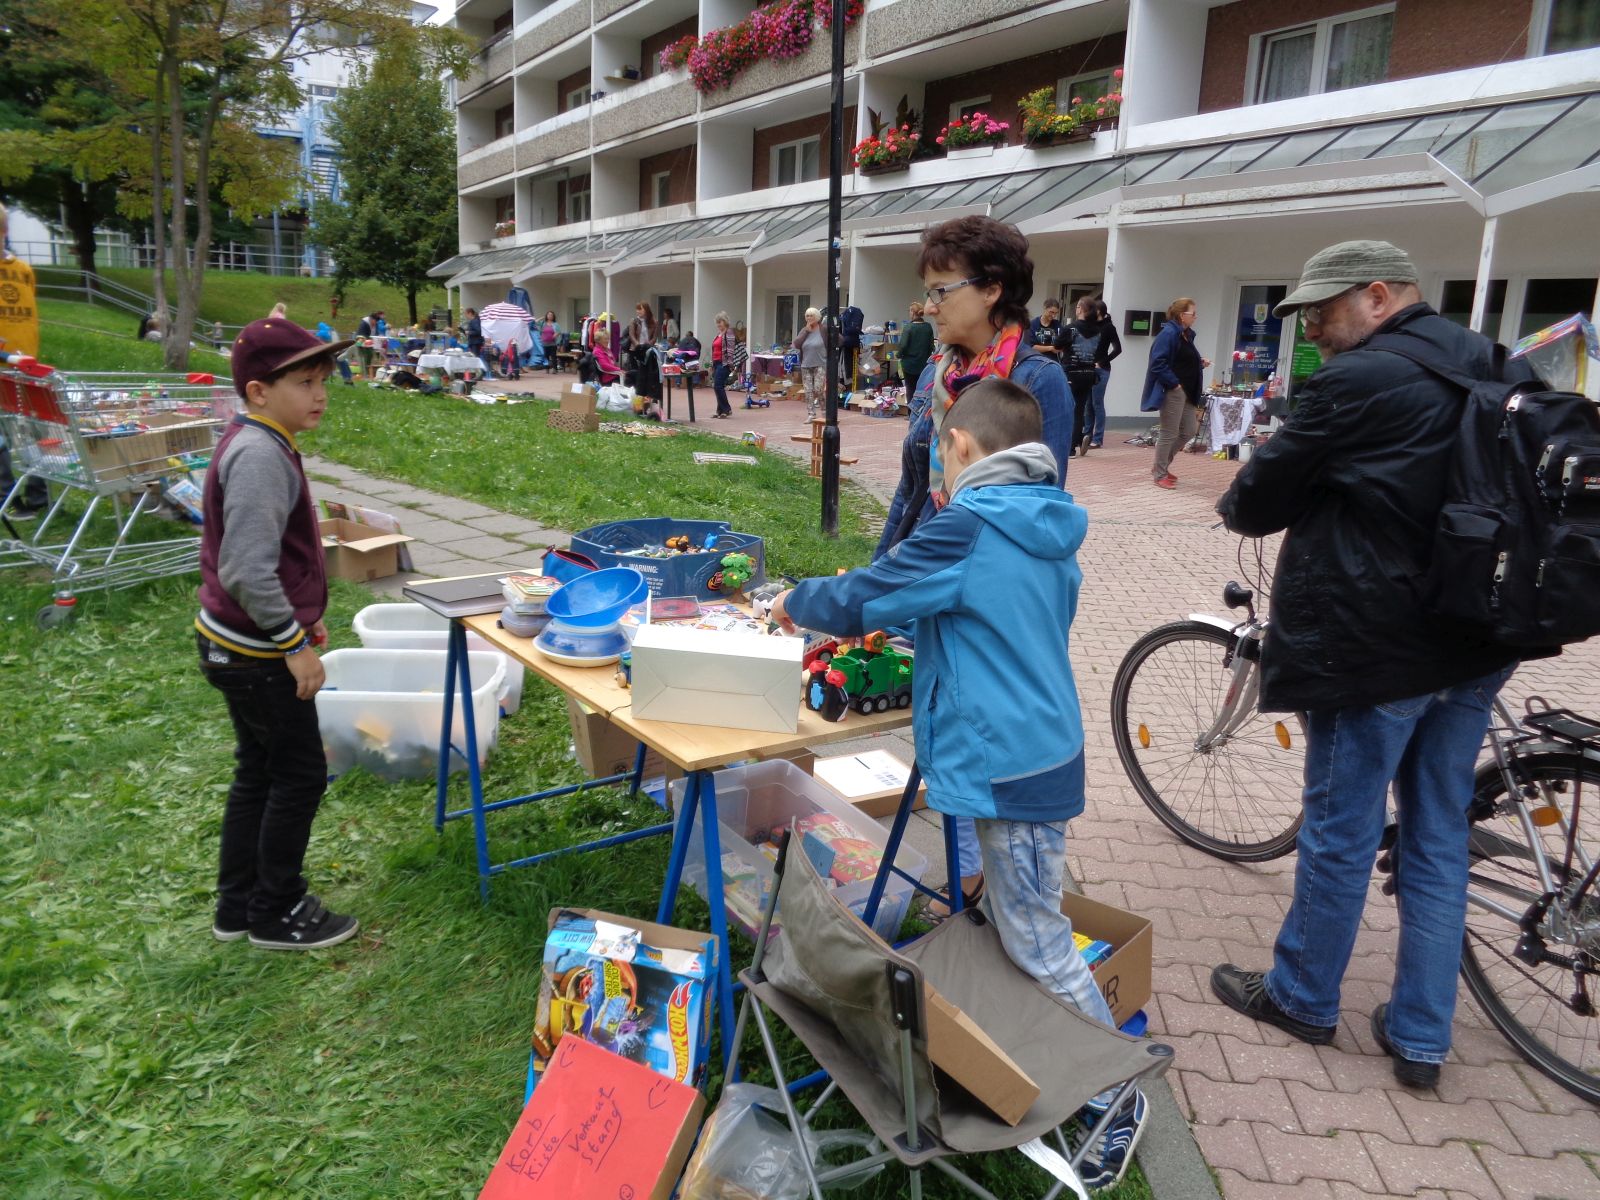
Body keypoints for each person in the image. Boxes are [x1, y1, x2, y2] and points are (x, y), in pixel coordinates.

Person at [769, 378, 1146, 1188]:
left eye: (941, 450)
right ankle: (1014, 1042)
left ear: (963, 448)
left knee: (1037, 932)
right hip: (1019, 750)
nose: (938, 467)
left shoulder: (970, 524)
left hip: (1007, 763)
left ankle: (1113, 1093)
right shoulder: (1044, 523)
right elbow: (985, 613)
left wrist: (794, 602)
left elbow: (868, 592)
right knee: (1001, 909)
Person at [1208, 240, 1528, 1089]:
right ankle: (1422, 1037)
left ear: (1378, 295)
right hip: (1478, 639)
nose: (1311, 329)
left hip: (1378, 647)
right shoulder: (1494, 361)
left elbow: (1254, 500)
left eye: (1322, 311)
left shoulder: (1357, 382)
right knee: (1437, 834)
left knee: (1341, 832)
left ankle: (1304, 998)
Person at [875, 213, 1074, 908]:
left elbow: (1042, 501)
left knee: (980, 725)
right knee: (940, 725)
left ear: (990, 289)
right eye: (927, 295)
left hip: (988, 584)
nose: (931, 308)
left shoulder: (1039, 380)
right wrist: (883, 568)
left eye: (941, 292)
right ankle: (970, 875)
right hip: (933, 564)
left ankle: (989, 886)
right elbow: (912, 483)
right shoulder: (938, 369)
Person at [196, 316, 359, 950]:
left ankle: (238, 907)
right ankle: (277, 911)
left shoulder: (263, 439)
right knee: (298, 775)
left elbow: (263, 556)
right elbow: (244, 567)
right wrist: (293, 646)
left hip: (236, 643)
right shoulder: (262, 454)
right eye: (305, 382)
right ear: (259, 390)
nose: (320, 394)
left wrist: (302, 611)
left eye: (324, 381)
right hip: (256, 654)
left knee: (258, 771)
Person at [0, 201, 48, 517]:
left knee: (36, 432)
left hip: (26, 366)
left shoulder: (22, 271)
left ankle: (38, 496)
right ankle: (6, 495)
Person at [1140, 297, 1208, 488]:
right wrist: (1174, 384)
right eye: (1192, 313)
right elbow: (1157, 363)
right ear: (1181, 315)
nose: (1196, 317)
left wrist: (1199, 363)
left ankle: (1160, 466)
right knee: (1169, 433)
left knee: (1189, 430)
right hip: (1174, 390)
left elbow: (1180, 360)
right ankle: (1160, 474)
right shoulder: (1169, 333)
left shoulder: (1185, 335)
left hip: (1187, 391)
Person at [1065, 297, 1103, 456]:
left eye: (1078, 307)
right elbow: (1099, 352)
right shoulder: (1097, 331)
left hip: (1072, 372)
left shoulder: (1072, 328)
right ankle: (1080, 438)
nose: (1076, 309)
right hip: (1089, 374)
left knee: (1068, 409)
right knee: (1079, 410)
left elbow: (1059, 345)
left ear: (1081, 309)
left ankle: (1071, 447)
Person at [1087, 298, 1121, 448]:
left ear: (1099, 311)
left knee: (1097, 402)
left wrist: (1102, 361)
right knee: (1088, 403)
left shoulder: (1108, 327)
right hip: (1088, 368)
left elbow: (1117, 348)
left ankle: (1098, 438)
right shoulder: (1091, 325)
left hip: (1101, 369)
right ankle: (1086, 435)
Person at [793, 307, 827, 421]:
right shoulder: (804, 330)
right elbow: (796, 344)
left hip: (820, 364)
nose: (809, 318)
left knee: (818, 389)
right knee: (808, 391)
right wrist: (806, 331)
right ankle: (811, 414)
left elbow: (839, 340)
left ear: (817, 317)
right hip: (806, 365)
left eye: (811, 315)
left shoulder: (823, 329)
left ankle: (824, 410)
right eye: (807, 316)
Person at [898, 300, 934, 396]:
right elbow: (931, 346)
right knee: (922, 390)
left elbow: (903, 346)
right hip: (923, 364)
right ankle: (920, 411)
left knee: (910, 390)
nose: (909, 313)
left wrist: (899, 355)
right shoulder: (928, 327)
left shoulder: (908, 328)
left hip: (909, 365)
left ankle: (911, 411)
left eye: (910, 311)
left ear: (913, 313)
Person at [710, 312, 735, 418]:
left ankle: (727, 409)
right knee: (717, 386)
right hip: (716, 363)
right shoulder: (718, 334)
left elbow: (730, 350)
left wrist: (730, 365)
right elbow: (714, 350)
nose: (718, 324)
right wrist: (712, 365)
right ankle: (720, 410)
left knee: (718, 386)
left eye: (720, 322)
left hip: (724, 363)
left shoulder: (728, 333)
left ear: (725, 322)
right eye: (717, 322)